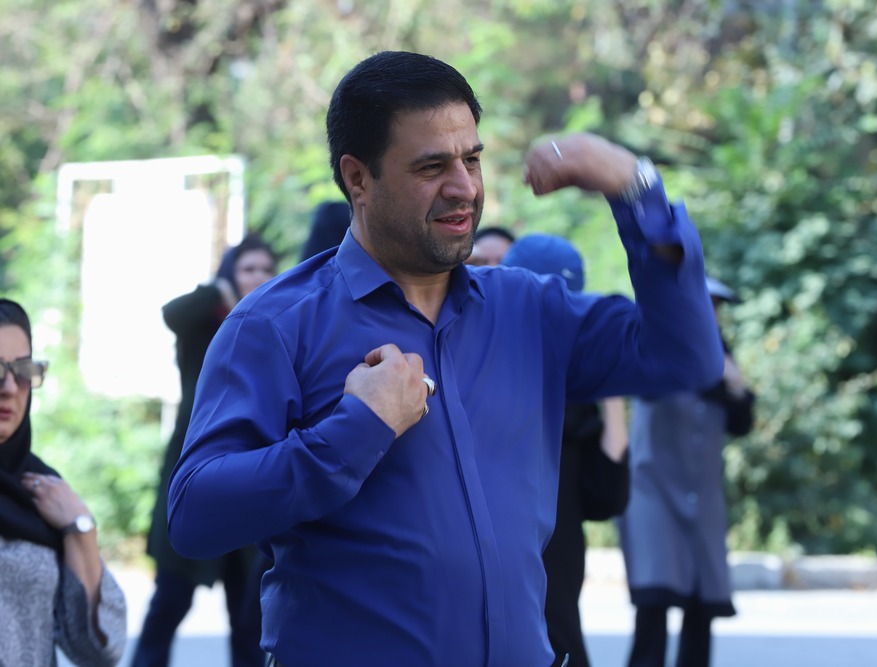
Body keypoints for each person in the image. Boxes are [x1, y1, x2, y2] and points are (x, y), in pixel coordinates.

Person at [167, 50, 723, 667]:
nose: (464, 188)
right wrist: (356, 431)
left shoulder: (531, 309)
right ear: (357, 178)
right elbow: (195, 516)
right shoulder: (274, 325)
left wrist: (637, 190)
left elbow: (688, 359)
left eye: (472, 159)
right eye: (432, 166)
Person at [131, 234, 276, 667]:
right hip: (193, 478)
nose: (259, 277)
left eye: (266, 270)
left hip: (248, 483)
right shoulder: (204, 323)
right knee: (169, 602)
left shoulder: (275, 324)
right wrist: (220, 291)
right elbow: (172, 313)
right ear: (231, 273)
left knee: (248, 619)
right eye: (248, 269)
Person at [502, 234, 631, 667]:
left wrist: (610, 390)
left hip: (556, 565)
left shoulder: (577, 388)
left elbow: (606, 497)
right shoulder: (476, 372)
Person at [617, 276, 755, 667]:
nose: (710, 313)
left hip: (703, 500)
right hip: (654, 492)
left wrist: (737, 387)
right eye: (703, 304)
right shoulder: (656, 348)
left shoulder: (723, 359)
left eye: (716, 307)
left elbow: (741, 423)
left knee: (701, 600)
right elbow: (648, 385)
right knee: (655, 598)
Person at [0, 298, 127, 666]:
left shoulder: (41, 491)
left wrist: (80, 528)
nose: (9, 387)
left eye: (23, 370)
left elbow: (99, 650)